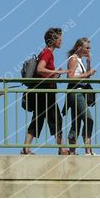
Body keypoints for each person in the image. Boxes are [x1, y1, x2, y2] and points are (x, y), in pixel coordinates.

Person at [21, 27, 67, 155]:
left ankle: (26, 148)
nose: (61, 41)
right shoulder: (47, 53)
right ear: (53, 41)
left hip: (42, 92)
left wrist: (53, 75)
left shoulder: (45, 52)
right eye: (59, 39)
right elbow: (40, 69)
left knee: (38, 119)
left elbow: (43, 72)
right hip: (46, 92)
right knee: (55, 119)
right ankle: (62, 149)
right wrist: (57, 72)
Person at [65, 37, 96, 155]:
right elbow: (70, 77)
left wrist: (88, 63)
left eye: (89, 48)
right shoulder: (73, 59)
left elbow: (86, 78)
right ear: (79, 48)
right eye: (87, 48)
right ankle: (88, 150)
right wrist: (87, 73)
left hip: (80, 92)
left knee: (76, 122)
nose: (89, 50)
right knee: (89, 119)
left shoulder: (80, 60)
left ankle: (72, 151)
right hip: (76, 92)